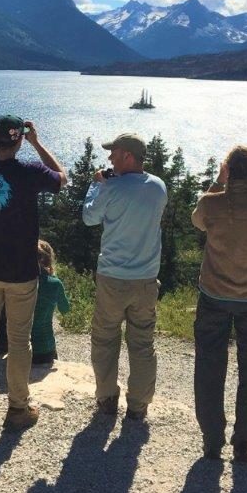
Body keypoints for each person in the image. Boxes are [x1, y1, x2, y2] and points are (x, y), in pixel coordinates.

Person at [0, 115, 66, 433]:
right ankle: (17, 408)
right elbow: (62, 177)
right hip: (21, 271)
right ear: (19, 139)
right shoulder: (30, 172)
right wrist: (37, 143)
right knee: (19, 341)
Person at [191, 145, 247, 463]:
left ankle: (212, 439)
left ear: (228, 169)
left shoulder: (211, 203)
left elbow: (197, 221)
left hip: (214, 295)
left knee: (209, 366)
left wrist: (218, 181)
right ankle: (244, 440)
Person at [82, 132, 167, 421]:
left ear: (128, 156)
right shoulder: (158, 187)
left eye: (114, 153)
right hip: (146, 279)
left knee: (105, 338)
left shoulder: (112, 188)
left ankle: (107, 398)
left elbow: (89, 218)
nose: (109, 158)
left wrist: (96, 185)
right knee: (142, 343)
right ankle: (138, 405)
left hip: (112, 278)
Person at [31, 240, 70, 366]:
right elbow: (65, 309)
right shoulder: (55, 283)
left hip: (21, 347)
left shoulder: (19, 282)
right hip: (45, 348)